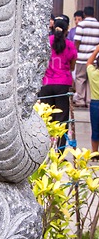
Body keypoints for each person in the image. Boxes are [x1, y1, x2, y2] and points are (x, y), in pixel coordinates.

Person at [38, 16, 77, 150]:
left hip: (46, 84)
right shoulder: (70, 45)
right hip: (63, 85)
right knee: (61, 119)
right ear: (67, 31)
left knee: (45, 118)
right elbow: (72, 66)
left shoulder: (46, 42)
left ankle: (44, 150)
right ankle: (59, 152)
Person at [74, 7, 99, 107]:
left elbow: (77, 41)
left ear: (84, 14)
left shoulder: (81, 24)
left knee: (80, 78)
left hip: (81, 57)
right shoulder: (98, 25)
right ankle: (89, 100)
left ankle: (80, 100)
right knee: (90, 80)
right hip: (94, 57)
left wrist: (76, 53)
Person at [86, 44, 99, 157]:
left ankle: (95, 153)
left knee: (95, 129)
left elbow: (88, 63)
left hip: (95, 103)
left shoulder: (93, 73)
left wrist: (96, 51)